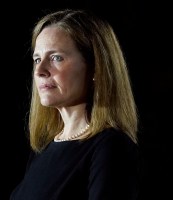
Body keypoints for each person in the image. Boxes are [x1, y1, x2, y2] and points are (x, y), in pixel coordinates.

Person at [10, 8, 140, 200]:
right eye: (37, 59)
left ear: (96, 67)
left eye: (56, 58)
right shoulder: (43, 149)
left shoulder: (111, 148)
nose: (40, 70)